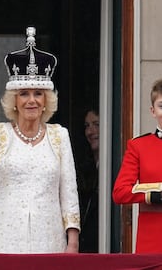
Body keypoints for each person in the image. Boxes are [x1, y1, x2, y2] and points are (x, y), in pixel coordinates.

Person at [0, 27, 80, 254]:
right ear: (14, 101)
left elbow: (69, 193)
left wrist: (72, 242)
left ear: (46, 100)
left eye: (38, 94)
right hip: (0, 241)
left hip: (49, 241)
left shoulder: (59, 135)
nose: (31, 100)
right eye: (24, 93)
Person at [113, 79, 162, 254]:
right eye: (161, 106)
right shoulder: (139, 146)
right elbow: (120, 192)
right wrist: (151, 195)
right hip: (153, 238)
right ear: (153, 111)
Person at [76, 106, 99, 253]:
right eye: (87, 126)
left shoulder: (115, 166)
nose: (90, 132)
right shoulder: (86, 168)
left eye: (96, 124)